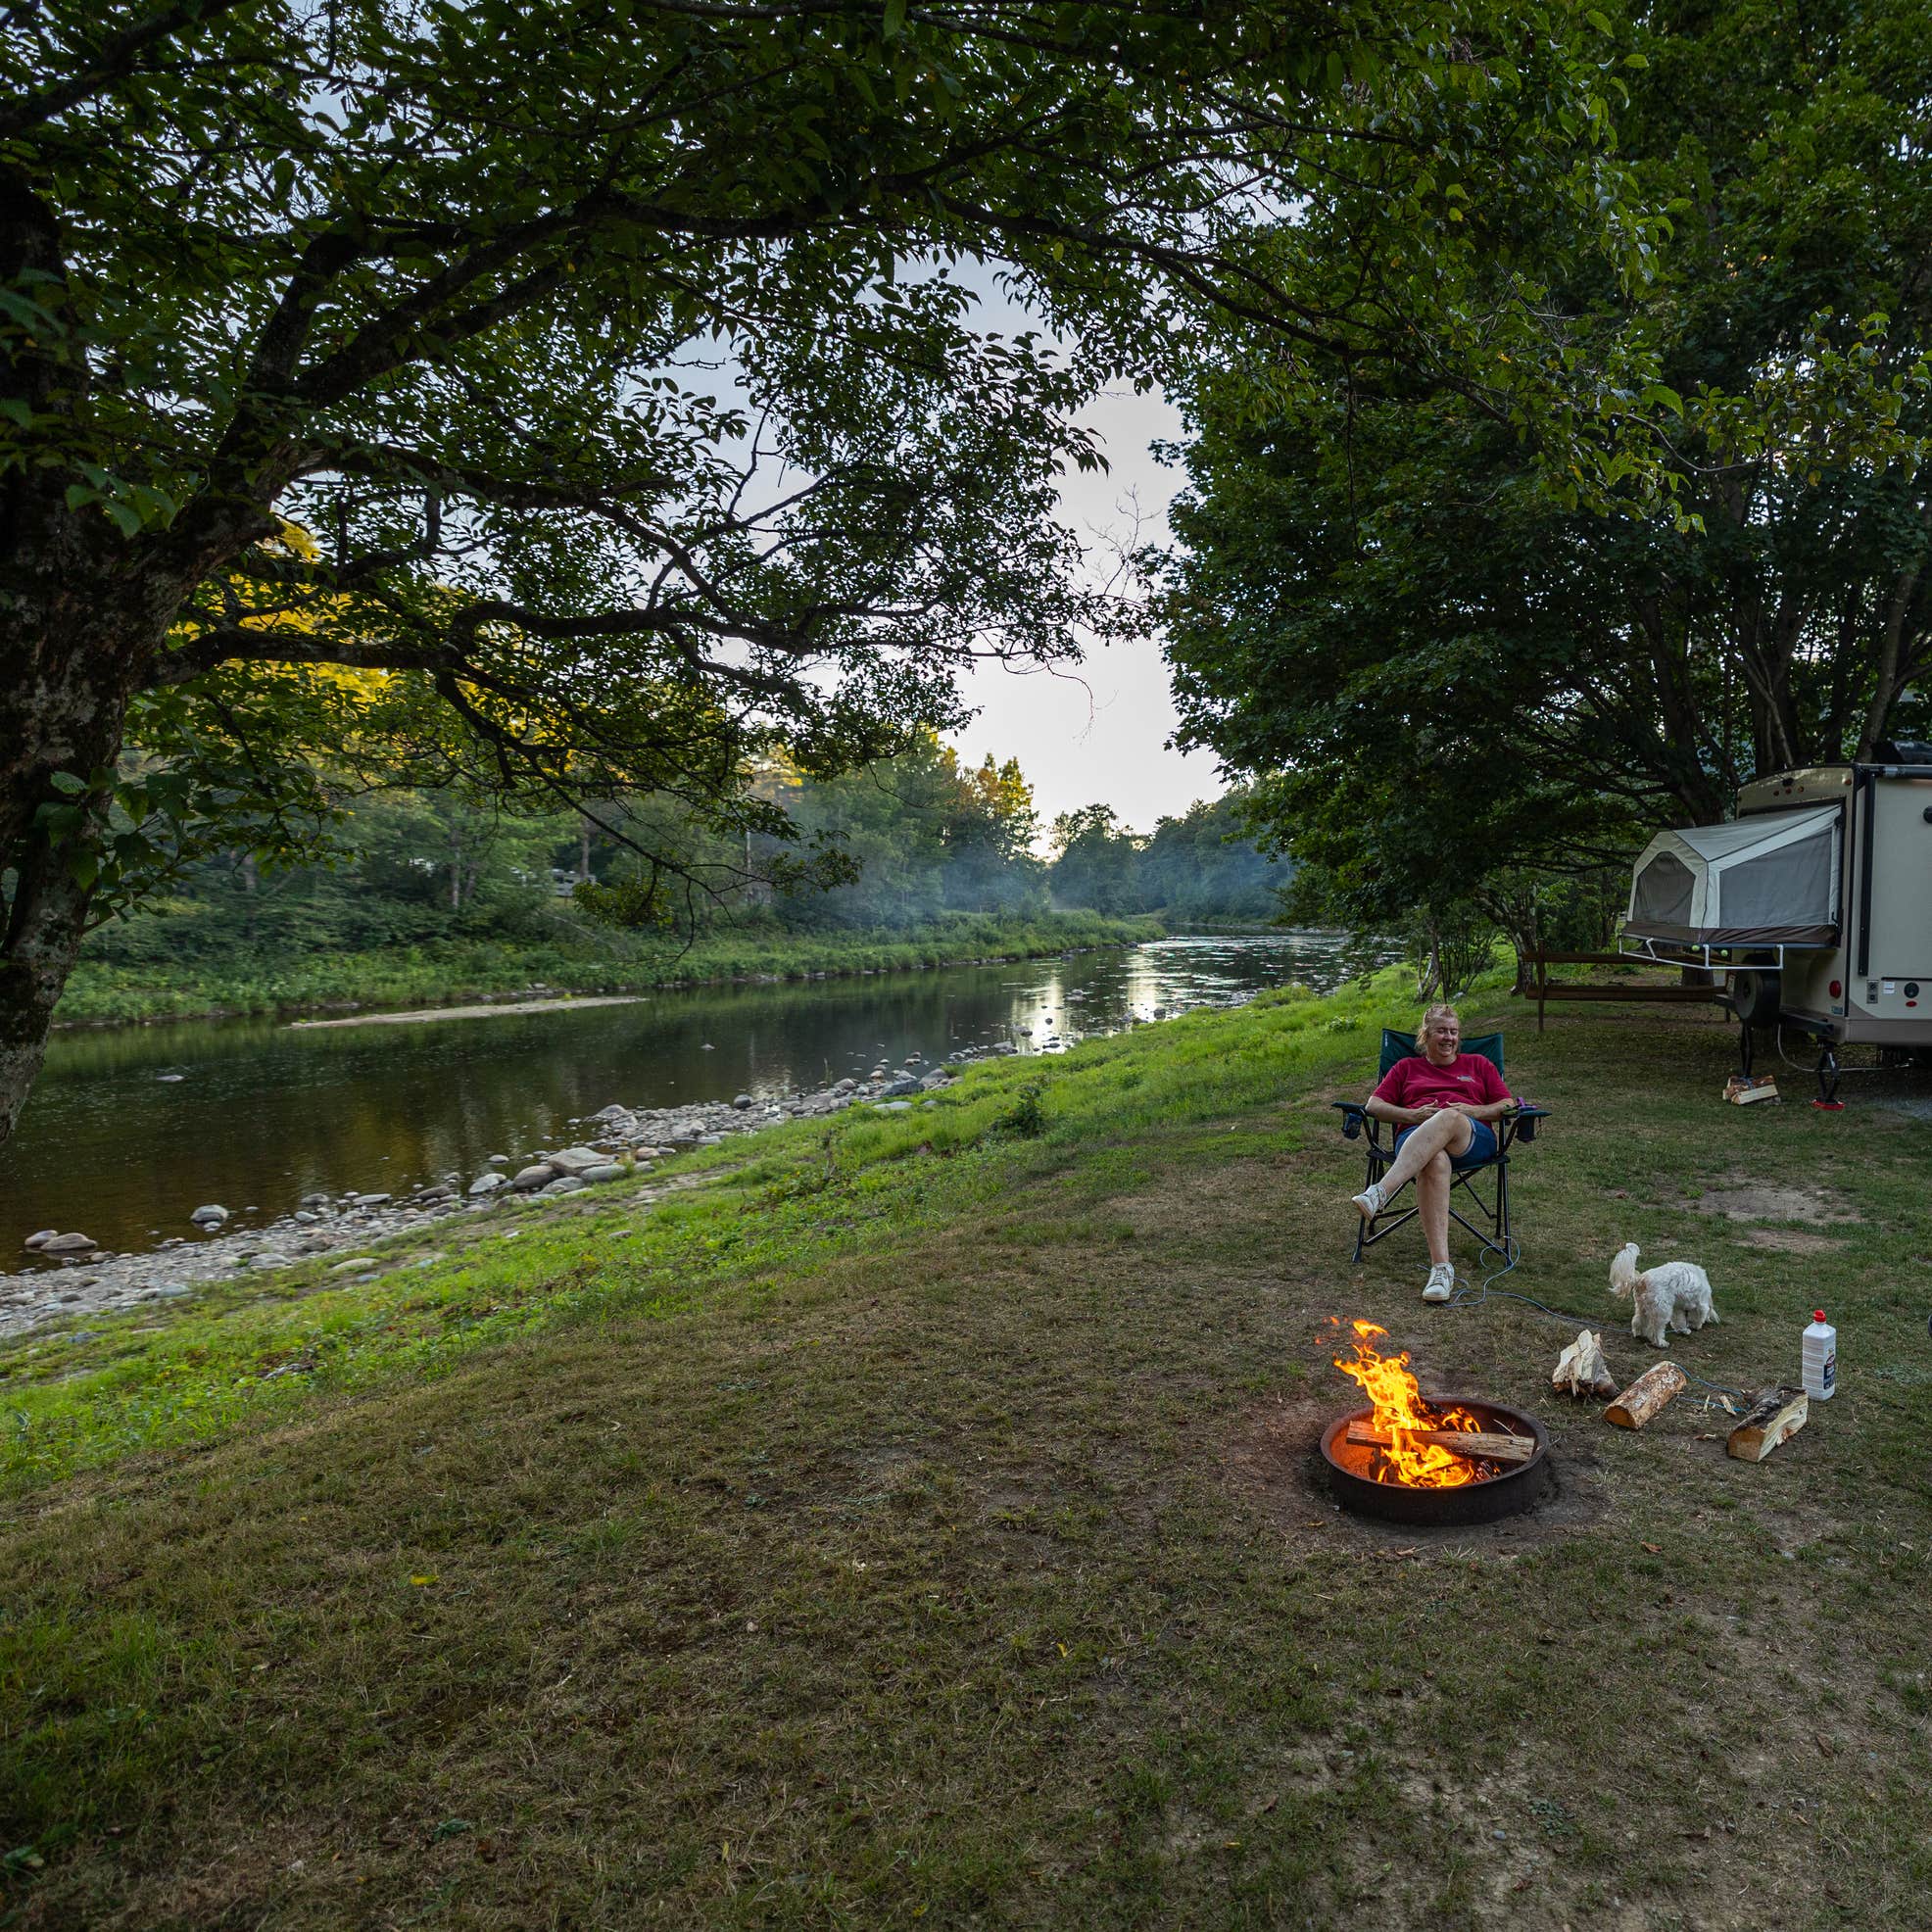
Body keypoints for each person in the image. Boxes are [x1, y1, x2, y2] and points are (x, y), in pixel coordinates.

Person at [1349, 1002, 1516, 1303]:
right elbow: (1373, 1106)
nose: (1449, 1037)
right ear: (1426, 1035)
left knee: (1450, 1117)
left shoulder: (1479, 1064)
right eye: (1441, 1031)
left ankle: (1381, 1192)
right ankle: (1441, 1270)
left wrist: (1473, 1110)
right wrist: (1413, 1116)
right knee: (1434, 1160)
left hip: (1471, 1138)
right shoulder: (1406, 1068)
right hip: (1416, 1140)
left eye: (1453, 1031)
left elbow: (1508, 1105)